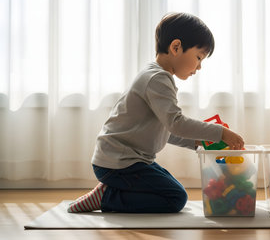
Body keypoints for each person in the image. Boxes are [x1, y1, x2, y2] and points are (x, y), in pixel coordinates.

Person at [67, 12, 245, 213]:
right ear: (176, 47)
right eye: (198, 57)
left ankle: (112, 189)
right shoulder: (157, 79)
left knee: (170, 186)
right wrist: (219, 132)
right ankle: (107, 197)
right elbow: (176, 123)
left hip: (126, 161)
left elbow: (165, 130)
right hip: (118, 163)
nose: (199, 67)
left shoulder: (156, 76)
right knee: (175, 197)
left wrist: (196, 142)